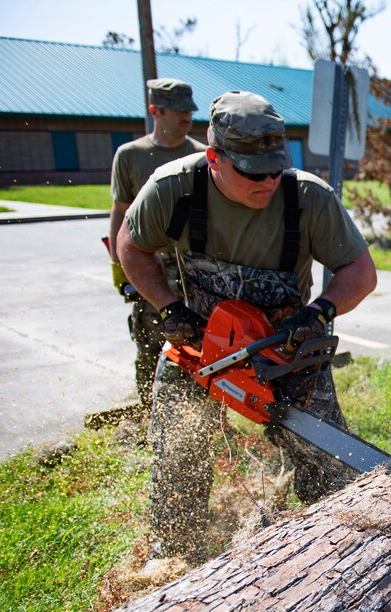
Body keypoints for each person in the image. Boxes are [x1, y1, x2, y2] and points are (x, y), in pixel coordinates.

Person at [118, 90, 377, 563]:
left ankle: (340, 555)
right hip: (200, 346)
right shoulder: (171, 189)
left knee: (333, 466)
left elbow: (361, 272)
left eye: (276, 168)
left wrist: (319, 310)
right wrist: (168, 307)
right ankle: (173, 556)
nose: (269, 181)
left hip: (284, 347)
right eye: (255, 173)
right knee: (178, 454)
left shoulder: (307, 198)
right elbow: (130, 247)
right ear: (214, 157)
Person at [108, 78, 207, 407]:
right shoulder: (130, 156)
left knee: (200, 344)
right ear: (155, 110)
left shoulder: (201, 155)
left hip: (194, 266)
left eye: (189, 111)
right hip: (149, 264)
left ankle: (199, 415)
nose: (186, 117)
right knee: (151, 343)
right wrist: (118, 267)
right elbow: (121, 212)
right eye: (178, 111)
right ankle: (149, 413)